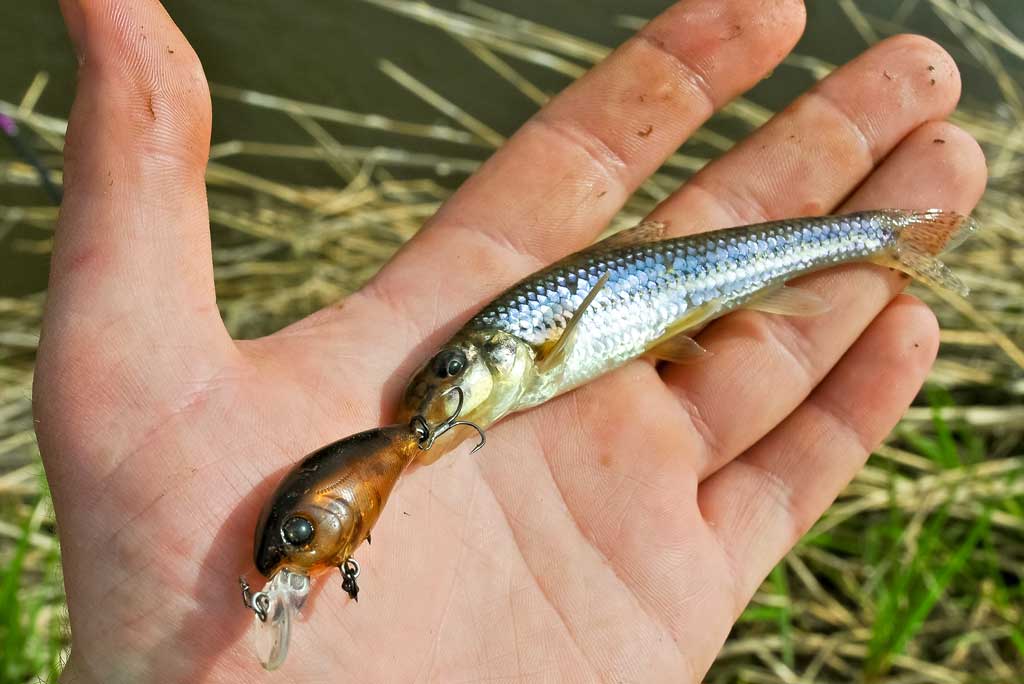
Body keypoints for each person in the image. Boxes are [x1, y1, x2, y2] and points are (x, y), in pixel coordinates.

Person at [37, 0, 986, 682]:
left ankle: (880, 236)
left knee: (784, 275)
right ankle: (883, 238)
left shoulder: (514, 354)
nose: (439, 393)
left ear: (485, 359)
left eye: (453, 368)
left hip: (678, 287)